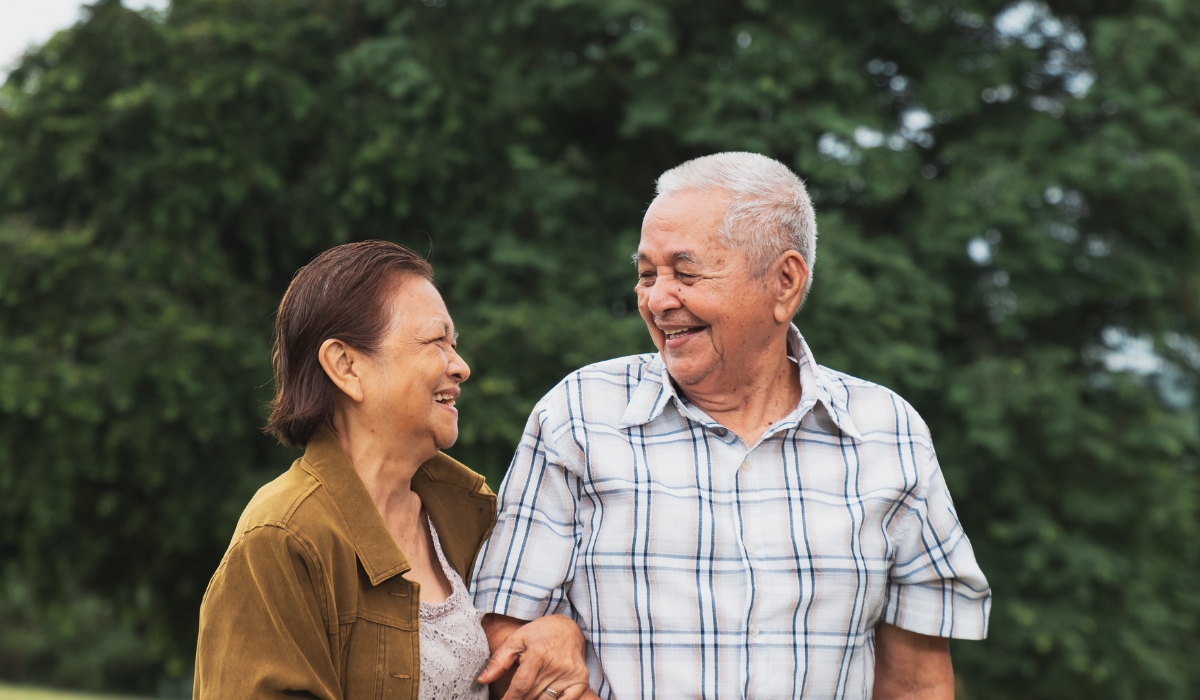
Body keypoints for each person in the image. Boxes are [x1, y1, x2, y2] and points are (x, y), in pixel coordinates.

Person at [472, 153, 992, 698]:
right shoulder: (578, 417)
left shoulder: (890, 433)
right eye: (647, 274)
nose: (656, 299)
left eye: (686, 271)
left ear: (785, 282)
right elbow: (503, 632)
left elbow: (914, 684)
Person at [194, 241, 591, 700]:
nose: (460, 366)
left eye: (454, 345)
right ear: (346, 366)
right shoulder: (281, 539)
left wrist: (558, 631)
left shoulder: (471, 514)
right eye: (435, 342)